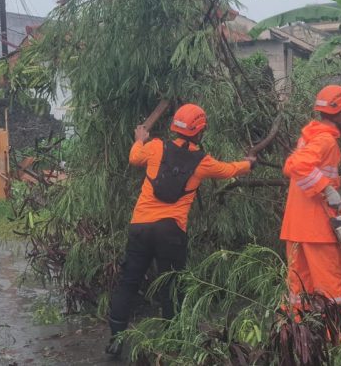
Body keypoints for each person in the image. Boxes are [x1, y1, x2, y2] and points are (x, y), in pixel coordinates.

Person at [106, 103, 255, 356]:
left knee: (128, 283)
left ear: (175, 126)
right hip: (171, 231)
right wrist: (249, 163)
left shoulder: (154, 147)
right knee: (171, 286)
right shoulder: (203, 162)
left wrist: (140, 139)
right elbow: (229, 170)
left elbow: (134, 158)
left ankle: (116, 340)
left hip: (140, 226)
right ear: (200, 131)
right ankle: (173, 343)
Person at [280, 84, 341, 338]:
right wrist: (328, 189)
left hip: (295, 227)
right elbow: (298, 165)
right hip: (318, 229)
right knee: (336, 289)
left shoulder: (309, 137)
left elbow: (291, 166)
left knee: (298, 289)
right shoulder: (325, 140)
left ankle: (297, 341)